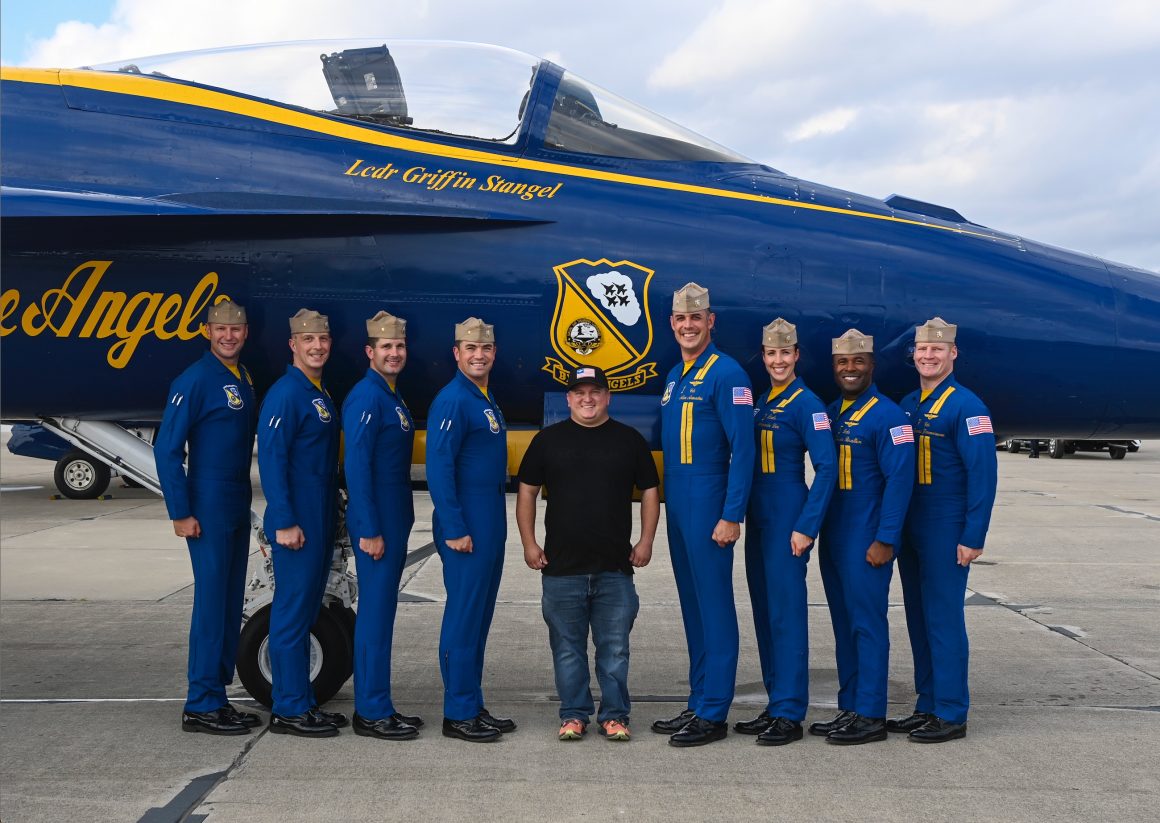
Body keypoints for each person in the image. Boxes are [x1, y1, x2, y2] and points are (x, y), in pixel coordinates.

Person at [516, 366, 660, 743]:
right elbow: (527, 491)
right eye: (579, 393)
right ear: (568, 399)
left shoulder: (630, 441)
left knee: (614, 650)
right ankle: (574, 714)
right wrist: (529, 543)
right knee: (567, 650)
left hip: (615, 568)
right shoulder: (548, 441)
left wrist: (646, 541)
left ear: (608, 396)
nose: (588, 399)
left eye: (595, 391)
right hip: (562, 569)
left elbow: (649, 491)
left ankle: (614, 715)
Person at [653, 282, 755, 747]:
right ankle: (698, 700)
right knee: (693, 607)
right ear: (672, 323)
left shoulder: (728, 374)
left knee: (714, 606)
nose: (688, 326)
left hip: (711, 503)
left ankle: (714, 711)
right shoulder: (676, 374)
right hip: (680, 505)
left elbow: (744, 450)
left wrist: (732, 513)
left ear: (710, 321)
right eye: (681, 319)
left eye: (697, 318)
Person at [156, 299, 261, 736]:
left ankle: (216, 697)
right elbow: (166, 449)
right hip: (208, 503)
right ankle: (200, 703)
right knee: (211, 605)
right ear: (206, 331)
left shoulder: (242, 376)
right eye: (220, 329)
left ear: (245, 333)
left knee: (229, 603)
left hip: (235, 499)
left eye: (235, 330)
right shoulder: (195, 380)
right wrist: (181, 512)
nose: (228, 336)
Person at [891, 317, 997, 743]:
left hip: (946, 525)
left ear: (953, 353)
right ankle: (928, 704)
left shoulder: (967, 406)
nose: (928, 356)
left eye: (938, 349)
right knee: (918, 617)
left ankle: (952, 711)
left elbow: (983, 476)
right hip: (911, 525)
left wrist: (973, 535)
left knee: (944, 618)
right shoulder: (908, 404)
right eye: (922, 349)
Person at [735, 318, 836, 746]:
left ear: (796, 356)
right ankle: (776, 701)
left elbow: (827, 467)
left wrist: (806, 526)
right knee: (763, 610)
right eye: (770, 354)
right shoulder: (762, 400)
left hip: (788, 511)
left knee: (787, 613)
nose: (777, 361)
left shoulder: (807, 403)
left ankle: (791, 713)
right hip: (759, 513)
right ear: (764, 357)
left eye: (785, 353)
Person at [811, 329, 914, 745]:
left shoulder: (888, 416)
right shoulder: (833, 411)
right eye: (842, 362)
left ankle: (871, 713)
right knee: (844, 624)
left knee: (868, 624)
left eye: (857, 362)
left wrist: (886, 538)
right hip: (835, 534)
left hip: (867, 534)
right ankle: (850, 706)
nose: (849, 369)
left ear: (872, 365)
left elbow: (901, 480)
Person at [257, 309, 344, 737]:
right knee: (291, 612)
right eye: (308, 340)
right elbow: (272, 460)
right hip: (298, 521)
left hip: (319, 515)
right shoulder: (286, 394)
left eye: (323, 339)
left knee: (307, 609)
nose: (317, 346)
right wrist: (286, 520)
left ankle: (304, 702)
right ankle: (288, 708)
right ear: (293, 344)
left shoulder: (316, 391)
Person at [427, 317, 514, 743]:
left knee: (478, 618)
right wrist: (455, 527)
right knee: (463, 617)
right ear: (457, 353)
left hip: (488, 518)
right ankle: (458, 711)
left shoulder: (481, 395)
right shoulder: (453, 399)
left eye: (485, 349)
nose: (479, 355)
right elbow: (439, 468)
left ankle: (472, 702)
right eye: (470, 348)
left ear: (493, 353)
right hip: (467, 524)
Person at [341, 310, 424, 741]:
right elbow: (357, 465)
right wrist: (370, 528)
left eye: (399, 346)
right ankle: (371, 710)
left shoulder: (391, 395)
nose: (394, 353)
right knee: (374, 615)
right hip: (377, 525)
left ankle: (381, 704)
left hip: (393, 519)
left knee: (383, 612)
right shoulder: (367, 397)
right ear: (369, 352)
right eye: (386, 347)